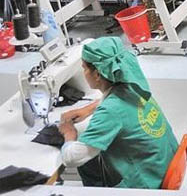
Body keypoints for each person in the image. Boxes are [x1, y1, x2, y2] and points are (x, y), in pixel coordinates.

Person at [57, 37, 178, 188]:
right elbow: (118, 104)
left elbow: (72, 158)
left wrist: (69, 133)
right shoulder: (134, 85)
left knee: (85, 160)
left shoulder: (110, 111)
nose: (84, 73)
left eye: (84, 68)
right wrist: (88, 109)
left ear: (97, 74)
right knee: (93, 160)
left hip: (148, 183)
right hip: (165, 164)